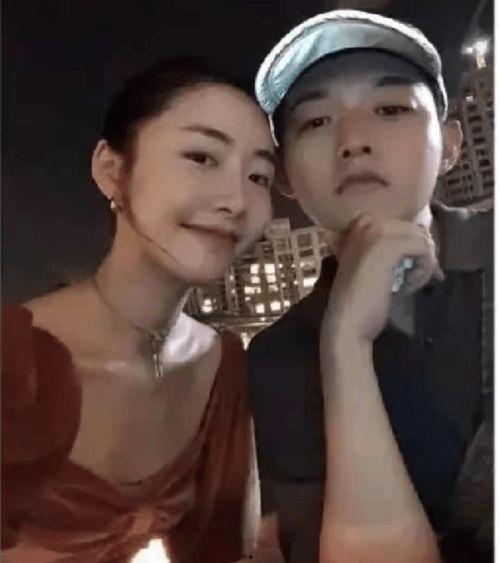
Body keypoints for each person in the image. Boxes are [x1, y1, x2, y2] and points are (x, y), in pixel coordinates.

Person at [2, 57, 277, 562]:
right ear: (112, 171)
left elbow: (226, 550)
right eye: (202, 157)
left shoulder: (222, 367)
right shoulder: (12, 360)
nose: (237, 200)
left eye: (259, 176)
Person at [248, 10, 492, 563]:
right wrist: (344, 344)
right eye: (316, 121)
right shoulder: (277, 357)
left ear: (450, 143)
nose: (354, 140)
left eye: (390, 109)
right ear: (285, 176)